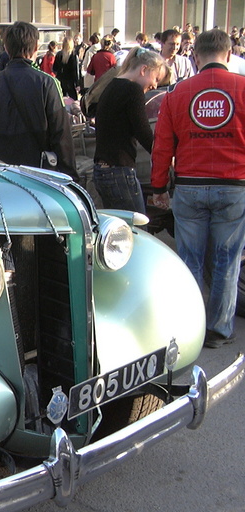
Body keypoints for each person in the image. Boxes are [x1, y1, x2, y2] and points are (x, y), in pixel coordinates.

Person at [151, 28, 245, 348]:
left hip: (190, 185)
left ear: (195, 56)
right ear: (229, 55)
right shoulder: (244, 89)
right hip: (234, 185)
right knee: (226, 260)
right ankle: (218, 329)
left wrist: (158, 186)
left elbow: (163, 145)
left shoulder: (177, 92)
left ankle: (187, 325)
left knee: (188, 260)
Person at [0, 21, 77, 179]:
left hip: (0, 176)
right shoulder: (47, 83)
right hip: (38, 176)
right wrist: (70, 177)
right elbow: (61, 134)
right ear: (36, 47)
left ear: (7, 48)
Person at [92, 48, 166, 213]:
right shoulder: (132, 90)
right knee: (138, 231)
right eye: (155, 78)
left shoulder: (112, 85)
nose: (154, 85)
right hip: (119, 172)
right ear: (144, 69)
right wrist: (165, 157)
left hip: (102, 171)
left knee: (120, 231)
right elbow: (144, 133)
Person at [53, 35, 81, 100]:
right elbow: (76, 71)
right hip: (70, 82)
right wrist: (77, 84)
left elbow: (54, 68)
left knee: (61, 100)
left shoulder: (59, 54)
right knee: (73, 101)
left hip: (60, 80)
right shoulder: (73, 56)